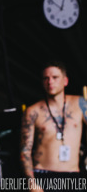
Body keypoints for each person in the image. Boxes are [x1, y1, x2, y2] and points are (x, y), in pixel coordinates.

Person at [20, 61, 87, 192]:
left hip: (73, 176)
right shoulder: (33, 111)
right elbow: (25, 151)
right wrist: (32, 183)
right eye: (46, 78)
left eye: (55, 77)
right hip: (43, 176)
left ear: (65, 81)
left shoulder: (80, 104)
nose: (50, 82)